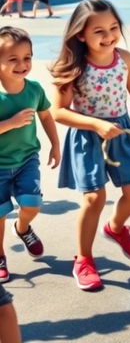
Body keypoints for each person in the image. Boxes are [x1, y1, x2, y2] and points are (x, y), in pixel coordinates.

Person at [50, 0, 130, 291]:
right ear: (80, 35)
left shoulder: (124, 58)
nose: (108, 35)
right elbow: (58, 111)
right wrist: (96, 124)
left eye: (113, 28)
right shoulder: (74, 66)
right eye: (99, 30)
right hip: (88, 135)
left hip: (121, 130)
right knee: (94, 198)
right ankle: (84, 259)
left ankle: (116, 227)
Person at [0, 27, 60, 283]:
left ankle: (23, 228)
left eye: (27, 57)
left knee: (32, 205)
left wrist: (55, 145)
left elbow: (46, 115)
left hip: (26, 160)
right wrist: (10, 123)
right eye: (13, 59)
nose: (22, 64)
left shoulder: (34, 90)